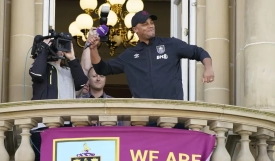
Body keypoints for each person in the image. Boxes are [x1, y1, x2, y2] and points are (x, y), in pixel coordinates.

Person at [86, 10, 215, 100]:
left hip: (173, 111)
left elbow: (199, 52)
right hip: (144, 115)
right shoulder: (129, 55)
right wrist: (93, 48)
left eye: (151, 23)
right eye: (145, 24)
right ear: (135, 30)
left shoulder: (170, 44)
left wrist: (208, 68)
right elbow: (102, 68)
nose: (150, 26)